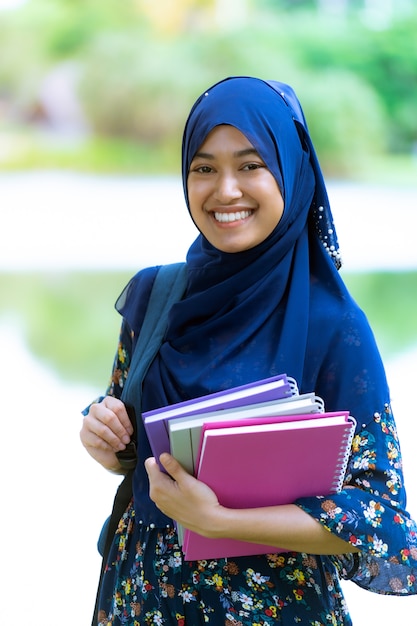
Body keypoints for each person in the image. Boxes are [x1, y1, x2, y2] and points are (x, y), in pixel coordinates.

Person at [80, 76, 417, 626]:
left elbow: (382, 519)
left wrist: (221, 520)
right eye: (204, 168)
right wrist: (106, 435)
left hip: (276, 610)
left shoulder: (333, 326)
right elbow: (135, 440)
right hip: (139, 600)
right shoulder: (154, 297)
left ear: (291, 170)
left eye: (252, 165)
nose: (225, 191)